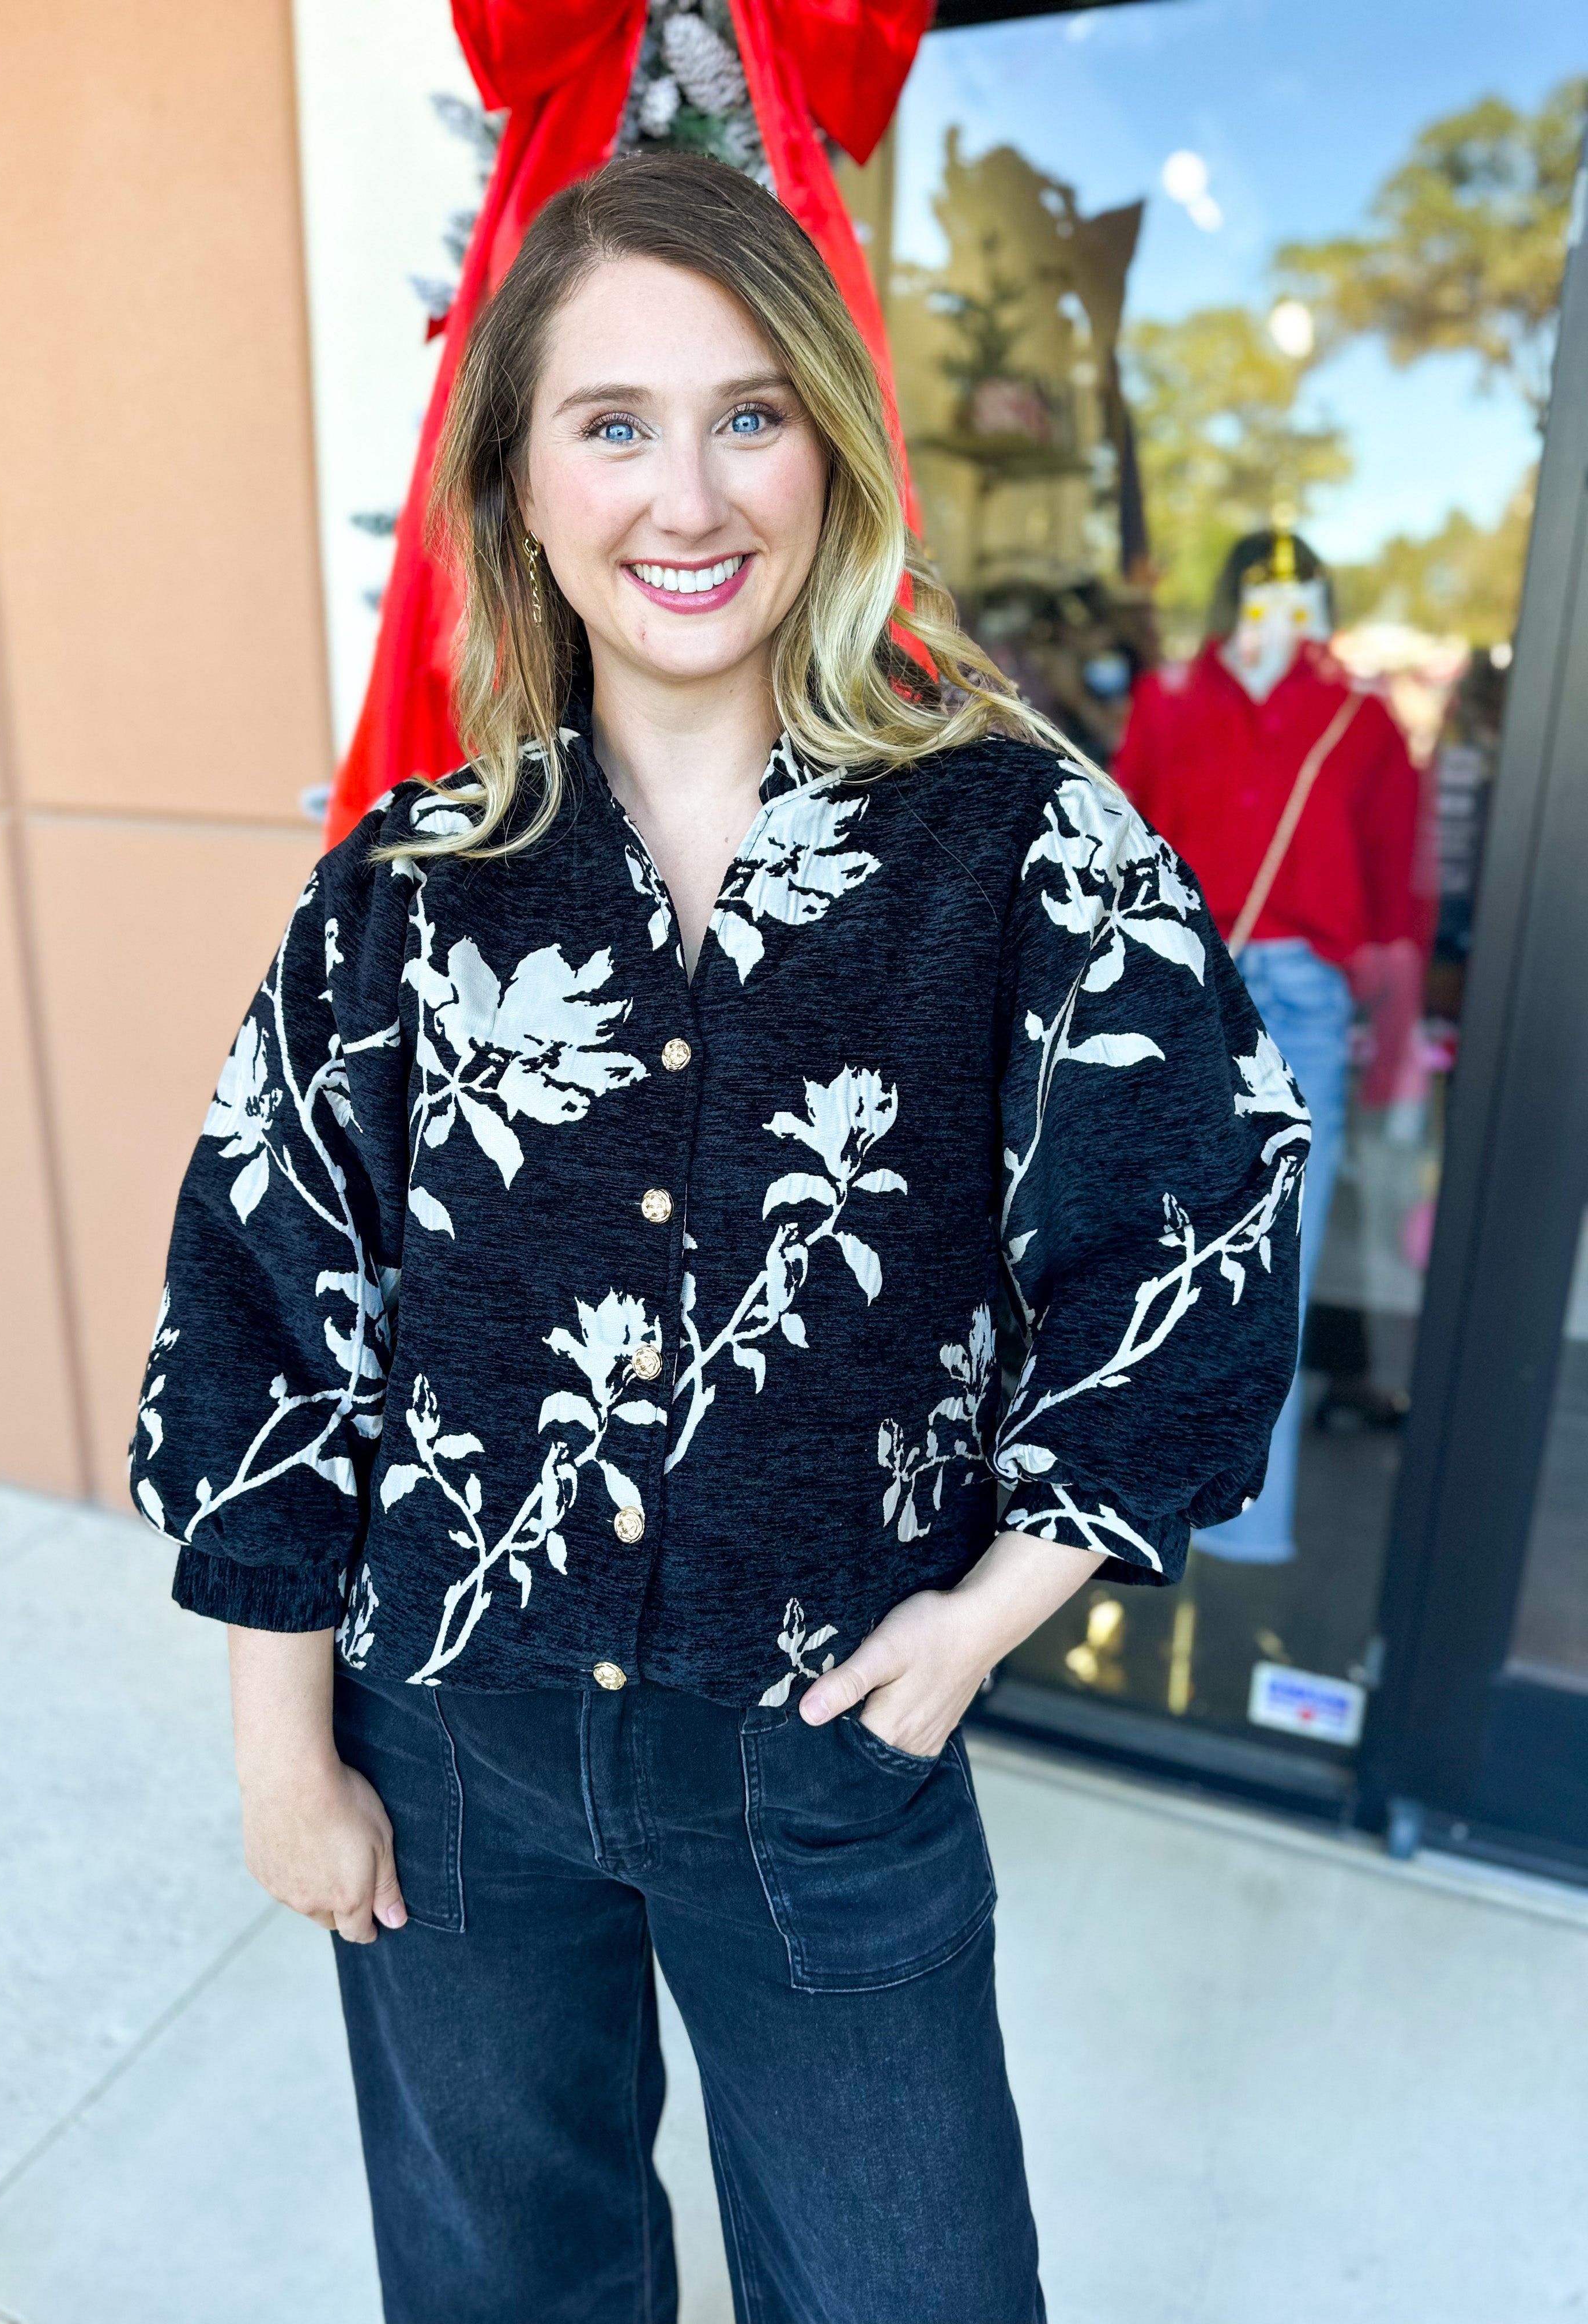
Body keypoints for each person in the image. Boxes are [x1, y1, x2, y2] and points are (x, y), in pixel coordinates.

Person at [131, 152, 1304, 2324]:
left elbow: (1200, 1227)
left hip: (820, 1755)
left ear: (830, 453)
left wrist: (972, 1628)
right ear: (521, 481)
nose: (690, 496)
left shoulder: (1015, 831)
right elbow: (267, 1321)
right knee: (507, 2286)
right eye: (615, 423)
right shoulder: (407, 886)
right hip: (449, 1738)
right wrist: (282, 1754)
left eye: (749, 414)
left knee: (910, 2290)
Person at [1114, 530, 1429, 1564]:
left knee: (1274, 1258)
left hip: (1301, 992)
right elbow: (1118, 844)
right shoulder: (1172, 698)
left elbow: (1392, 895)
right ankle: (1122, 1506)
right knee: (1143, 1244)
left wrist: (1394, 1037)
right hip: (1181, 985)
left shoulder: (1359, 717)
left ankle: (1247, 1529)